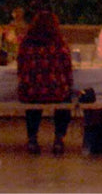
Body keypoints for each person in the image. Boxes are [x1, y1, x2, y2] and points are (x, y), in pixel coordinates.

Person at [16, 10, 74, 155]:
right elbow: (68, 69)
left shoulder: (26, 43)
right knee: (65, 99)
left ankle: (32, 138)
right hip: (55, 90)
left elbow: (20, 67)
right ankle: (59, 138)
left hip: (32, 91)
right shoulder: (59, 44)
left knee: (33, 99)